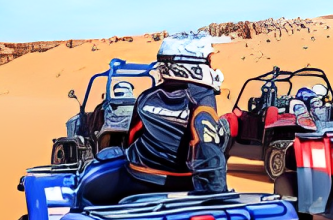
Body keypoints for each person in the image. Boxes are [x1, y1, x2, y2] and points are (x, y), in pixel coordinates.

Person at [77, 32, 228, 205]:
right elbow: (208, 147)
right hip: (183, 183)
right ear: (191, 63)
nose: (212, 66)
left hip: (138, 179)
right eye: (209, 60)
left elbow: (131, 138)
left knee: (87, 186)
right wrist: (217, 196)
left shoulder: (145, 98)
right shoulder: (202, 99)